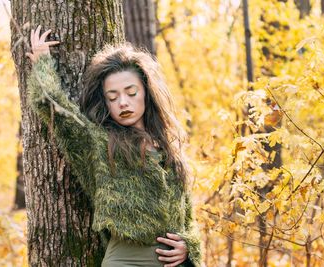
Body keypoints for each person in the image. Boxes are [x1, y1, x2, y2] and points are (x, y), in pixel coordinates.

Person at [26, 25, 202, 267]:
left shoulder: (169, 148)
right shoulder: (100, 144)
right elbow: (53, 108)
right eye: (113, 97)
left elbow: (189, 217)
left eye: (131, 92)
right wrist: (42, 62)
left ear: (146, 93)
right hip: (125, 260)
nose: (123, 102)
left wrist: (188, 247)